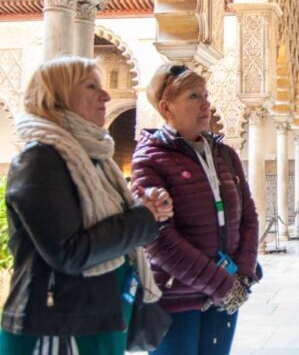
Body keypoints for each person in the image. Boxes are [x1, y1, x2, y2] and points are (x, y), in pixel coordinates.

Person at [0, 56, 173, 355]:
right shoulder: (40, 161)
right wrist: (142, 218)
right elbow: (70, 252)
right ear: (58, 97)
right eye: (92, 86)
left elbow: (115, 227)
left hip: (97, 315)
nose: (105, 95)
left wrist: (149, 212)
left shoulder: (95, 159)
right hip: (57, 324)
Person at [131, 64, 260, 355]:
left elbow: (248, 216)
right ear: (166, 107)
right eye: (193, 97)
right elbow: (159, 238)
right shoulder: (149, 159)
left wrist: (242, 274)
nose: (205, 104)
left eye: (205, 94)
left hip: (225, 296)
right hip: (176, 300)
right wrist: (222, 284)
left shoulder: (225, 155)